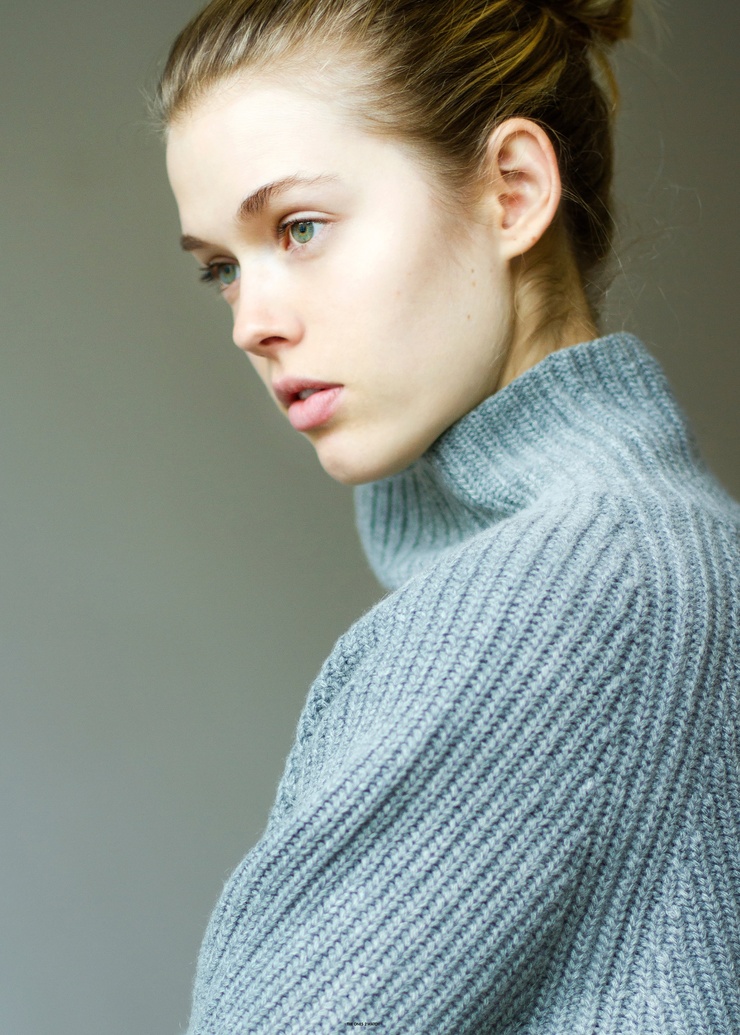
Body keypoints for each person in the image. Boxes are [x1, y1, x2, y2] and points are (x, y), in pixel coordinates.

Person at [157, 0, 740, 1031]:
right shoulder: (659, 549)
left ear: (513, 191)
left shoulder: (579, 585)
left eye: (299, 227)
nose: (252, 322)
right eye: (223, 268)